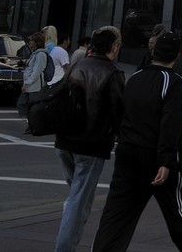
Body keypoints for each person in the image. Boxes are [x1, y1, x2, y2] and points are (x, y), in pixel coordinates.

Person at [89, 31, 182, 252]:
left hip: (128, 152)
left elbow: (122, 113)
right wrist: (166, 159)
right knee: (178, 214)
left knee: (116, 215)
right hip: (156, 156)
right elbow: (170, 123)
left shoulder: (136, 77)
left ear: (154, 52)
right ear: (177, 55)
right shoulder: (173, 81)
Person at [54, 26, 127, 252]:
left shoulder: (77, 65)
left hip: (65, 140)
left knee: (76, 198)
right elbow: (119, 114)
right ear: (114, 47)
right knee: (79, 202)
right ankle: (65, 248)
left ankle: (67, 245)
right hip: (91, 143)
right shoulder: (113, 73)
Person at [21, 31, 52, 129]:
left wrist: (27, 82)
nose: (29, 42)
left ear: (37, 42)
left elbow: (37, 70)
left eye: (31, 40)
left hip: (35, 86)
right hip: (31, 85)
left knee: (30, 106)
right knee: (25, 105)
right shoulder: (35, 54)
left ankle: (34, 125)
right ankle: (32, 124)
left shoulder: (40, 54)